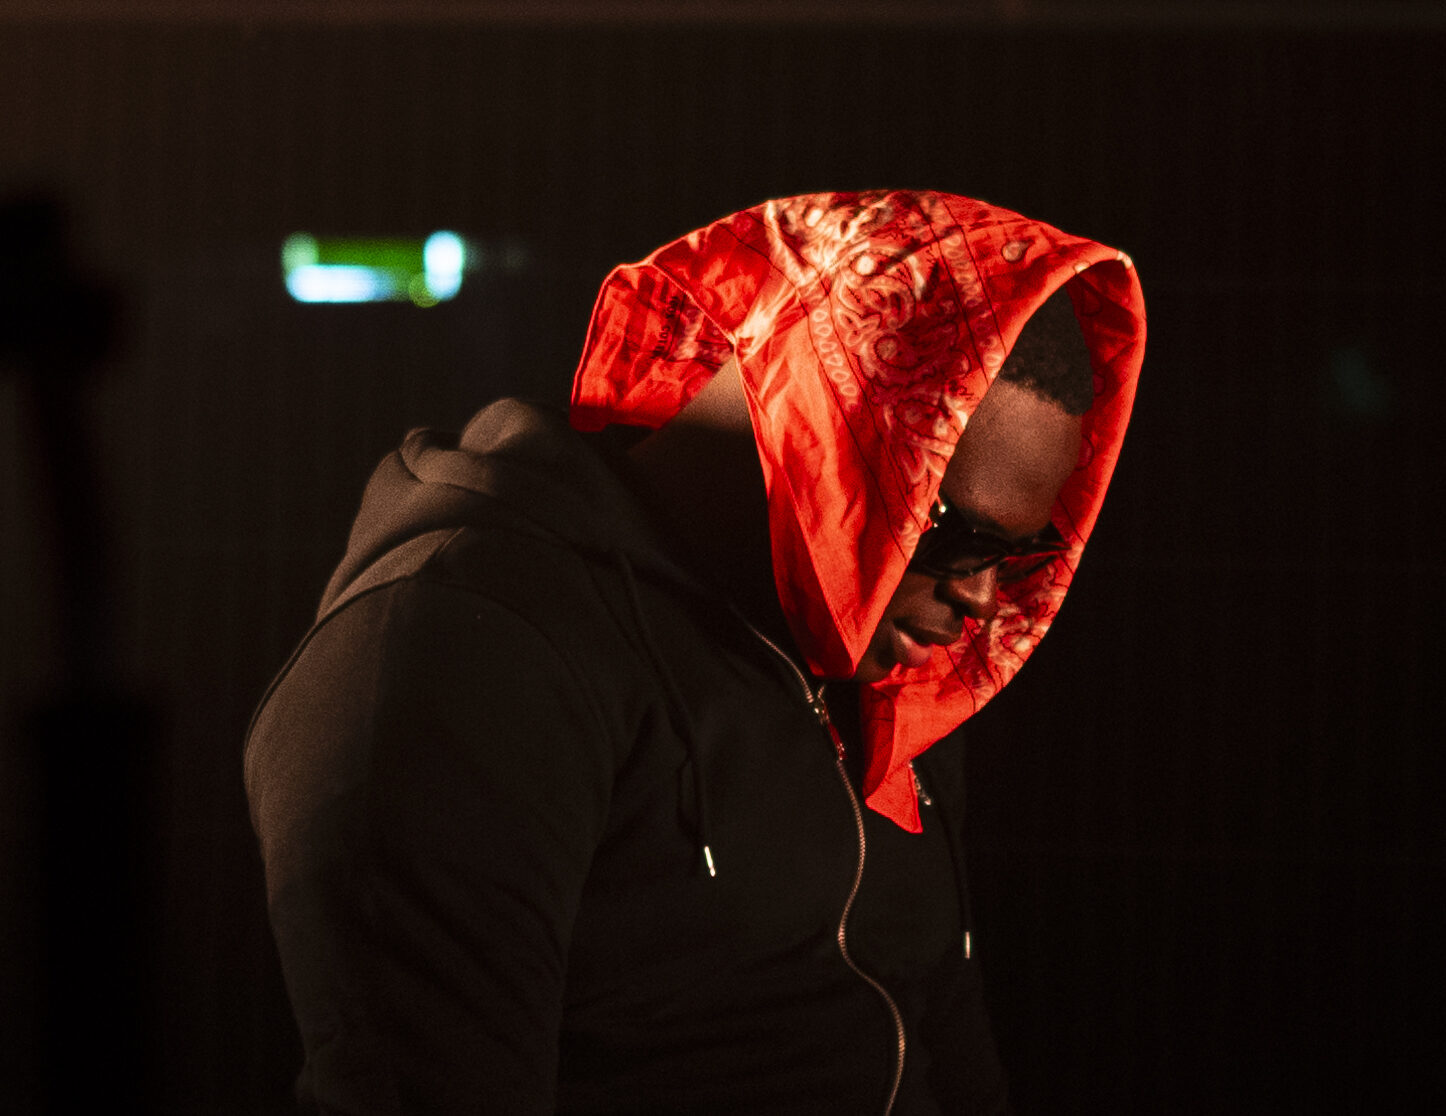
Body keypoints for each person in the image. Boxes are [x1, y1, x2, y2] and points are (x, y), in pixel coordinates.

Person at [244, 190, 1146, 1114]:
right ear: (816, 440)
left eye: (1017, 554)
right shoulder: (464, 653)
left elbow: (941, 1033)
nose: (984, 598)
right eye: (954, 538)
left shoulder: (874, 666)